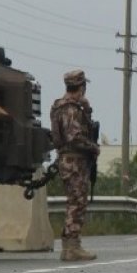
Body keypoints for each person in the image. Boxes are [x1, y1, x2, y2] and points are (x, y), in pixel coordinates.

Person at [50, 69, 99, 261]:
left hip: (66, 159)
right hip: (74, 160)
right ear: (81, 87)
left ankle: (71, 245)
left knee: (75, 201)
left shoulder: (59, 107)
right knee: (77, 202)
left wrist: (86, 109)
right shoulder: (71, 109)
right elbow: (74, 137)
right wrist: (93, 147)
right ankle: (72, 246)